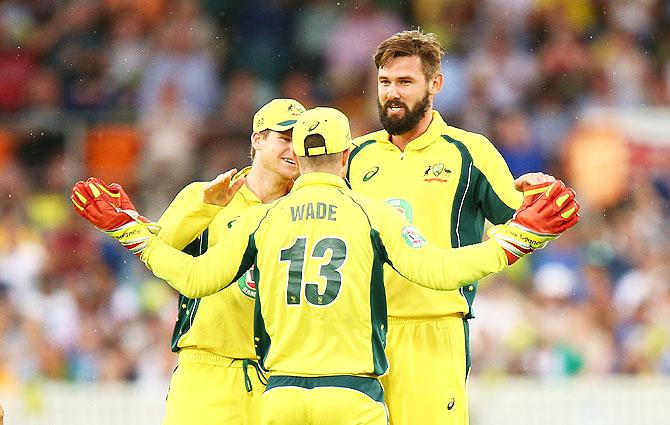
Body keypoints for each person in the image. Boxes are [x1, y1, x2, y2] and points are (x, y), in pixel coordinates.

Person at [71, 107, 579, 425]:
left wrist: (130, 232)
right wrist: (515, 240)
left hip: (278, 389)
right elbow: (435, 271)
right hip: (300, 384)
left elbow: (191, 274)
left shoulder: (268, 220)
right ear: (344, 156)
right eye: (278, 135)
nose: (289, 145)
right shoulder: (363, 212)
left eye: (296, 137)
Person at [346, 30, 554, 425]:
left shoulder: (469, 151)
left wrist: (540, 200)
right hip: (359, 334)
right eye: (384, 82)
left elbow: (526, 220)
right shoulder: (354, 155)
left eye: (405, 82)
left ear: (435, 84)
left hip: (435, 328)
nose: (392, 93)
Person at [133, 98, 305, 425]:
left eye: (301, 141)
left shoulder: (305, 207)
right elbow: (158, 251)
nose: (294, 148)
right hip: (206, 368)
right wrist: (206, 208)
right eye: (285, 137)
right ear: (257, 139)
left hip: (278, 375)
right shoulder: (206, 193)